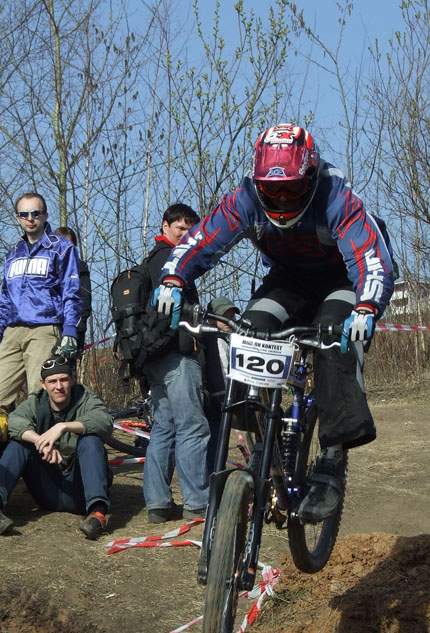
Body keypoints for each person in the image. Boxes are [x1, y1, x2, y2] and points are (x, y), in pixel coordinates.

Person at [154, 123, 395, 523]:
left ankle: (332, 457)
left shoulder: (336, 196)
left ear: (310, 177)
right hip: (289, 280)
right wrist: (173, 278)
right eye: (272, 189)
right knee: (248, 331)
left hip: (342, 280)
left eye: (292, 189)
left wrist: (368, 306)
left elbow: (369, 255)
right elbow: (202, 239)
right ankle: (262, 437)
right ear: (258, 182)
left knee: (335, 341)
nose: (281, 198)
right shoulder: (246, 197)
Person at [139, 203, 211, 524]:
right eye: (181, 228)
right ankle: (197, 502)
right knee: (191, 426)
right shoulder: (169, 260)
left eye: (190, 230)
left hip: (154, 356)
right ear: (165, 226)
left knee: (164, 428)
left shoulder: (151, 260)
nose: (186, 234)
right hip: (176, 354)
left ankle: (157, 503)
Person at [0, 356, 113, 539]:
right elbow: (14, 421)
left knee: (91, 440)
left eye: (64, 380)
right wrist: (41, 441)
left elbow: (104, 422)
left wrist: (63, 427)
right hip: (48, 489)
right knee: (20, 442)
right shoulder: (36, 402)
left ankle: (97, 514)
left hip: (79, 492)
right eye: (52, 381)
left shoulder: (86, 398)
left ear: (73, 379)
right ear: (43, 384)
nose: (58, 386)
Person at [0, 193, 82, 417]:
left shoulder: (62, 248)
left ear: (45, 215)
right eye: (24, 214)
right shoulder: (12, 254)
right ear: (17, 218)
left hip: (44, 328)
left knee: (39, 397)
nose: (30, 218)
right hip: (12, 331)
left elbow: (72, 292)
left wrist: (70, 330)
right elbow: (5, 298)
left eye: (35, 213)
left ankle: (43, 439)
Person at [204, 296, 240, 473]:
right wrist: (223, 399)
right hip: (216, 403)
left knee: (220, 445)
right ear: (212, 319)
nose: (229, 321)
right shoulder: (215, 341)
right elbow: (220, 372)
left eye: (232, 317)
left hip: (222, 401)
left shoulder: (228, 339)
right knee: (216, 446)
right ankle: (214, 478)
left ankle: (216, 475)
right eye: (224, 317)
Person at [55, 226, 92, 356]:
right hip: (48, 328)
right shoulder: (47, 267)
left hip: (72, 329)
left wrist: (78, 329)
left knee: (66, 366)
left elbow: (85, 300)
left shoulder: (79, 268)